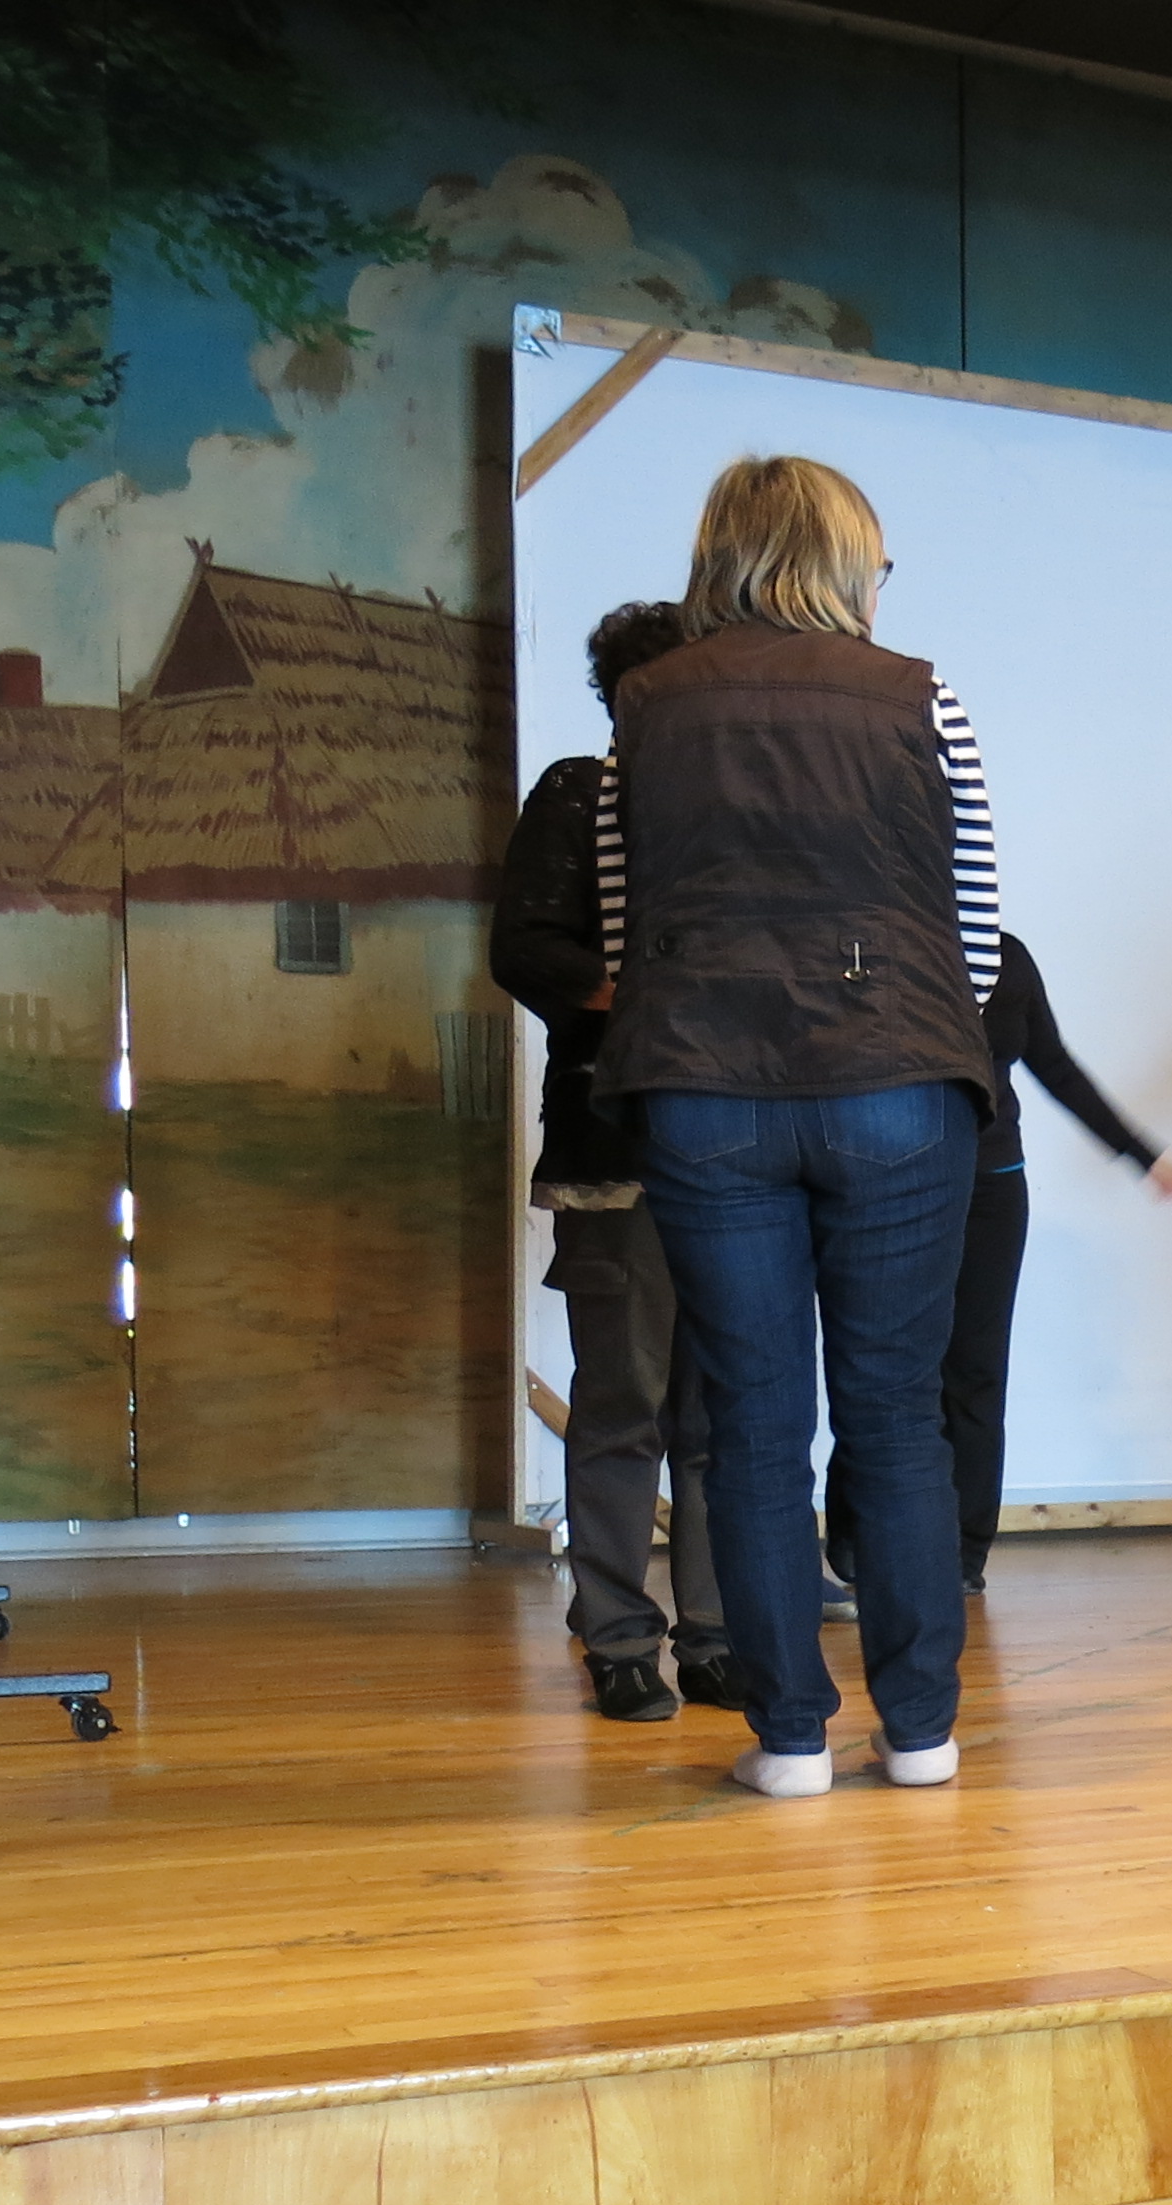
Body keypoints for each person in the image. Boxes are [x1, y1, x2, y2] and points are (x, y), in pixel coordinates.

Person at [590, 454, 999, 1798]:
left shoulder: (644, 710)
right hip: (897, 1082)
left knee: (753, 1424)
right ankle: (921, 1731)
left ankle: (788, 1742)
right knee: (897, 1416)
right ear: (843, 560)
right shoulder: (920, 694)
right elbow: (975, 932)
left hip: (703, 1089)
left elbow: (622, 929)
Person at [491, 600, 738, 1726]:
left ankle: (719, 1634)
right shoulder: (577, 793)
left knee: (723, 1412)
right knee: (625, 1401)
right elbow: (524, 949)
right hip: (620, 1141)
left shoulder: (738, 799)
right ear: (630, 696)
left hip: (737, 1146)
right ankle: (618, 1636)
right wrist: (654, 997)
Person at [825, 929, 1172, 1592]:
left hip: (991, 1187)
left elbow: (1055, 1065)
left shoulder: (1007, 958)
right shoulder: (874, 950)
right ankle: (856, 1531)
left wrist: (1142, 1153)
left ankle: (965, 1552)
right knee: (887, 1364)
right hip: (894, 1182)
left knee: (976, 1373)